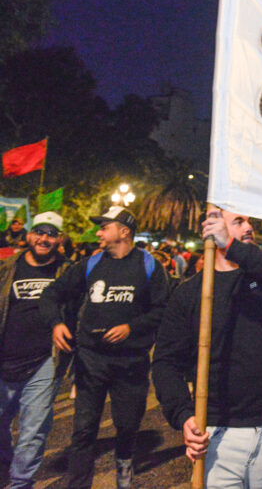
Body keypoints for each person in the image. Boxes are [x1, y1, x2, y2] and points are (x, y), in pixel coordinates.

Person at [152, 209, 262, 488]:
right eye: (238, 222)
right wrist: (183, 415)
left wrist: (231, 246)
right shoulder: (189, 293)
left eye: (249, 221)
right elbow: (165, 363)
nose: (249, 227)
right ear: (211, 229)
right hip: (217, 434)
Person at [38, 206, 169, 489]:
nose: (98, 232)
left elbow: (163, 309)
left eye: (104, 227)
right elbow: (52, 293)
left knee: (127, 426)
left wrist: (131, 328)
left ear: (123, 232)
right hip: (91, 360)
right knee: (83, 429)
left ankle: (124, 477)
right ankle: (78, 483)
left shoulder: (149, 266)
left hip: (131, 363)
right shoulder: (91, 264)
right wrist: (56, 323)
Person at [0, 212, 69, 488]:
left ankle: (20, 483)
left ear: (59, 239)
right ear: (29, 235)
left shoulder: (68, 272)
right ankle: (5, 460)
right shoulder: (7, 268)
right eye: (39, 232)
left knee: (33, 430)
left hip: (44, 361)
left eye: (51, 234)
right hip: (5, 358)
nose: (44, 238)